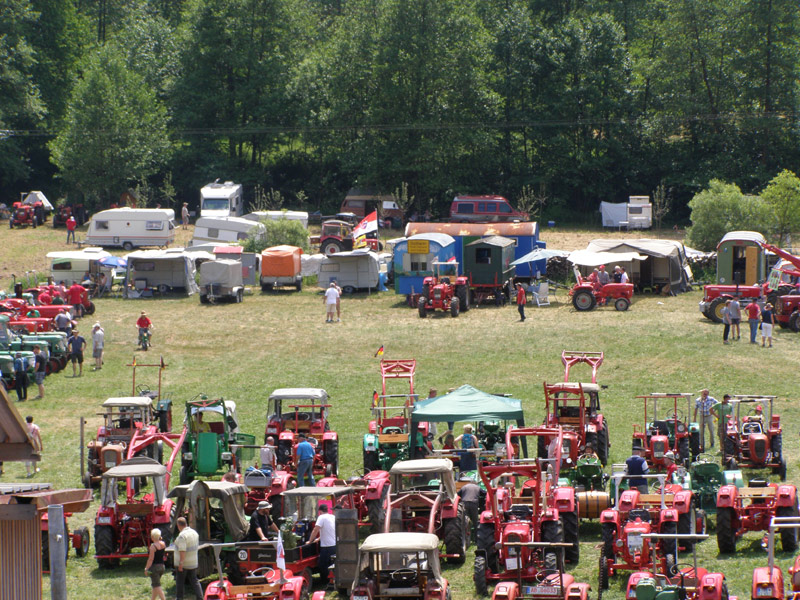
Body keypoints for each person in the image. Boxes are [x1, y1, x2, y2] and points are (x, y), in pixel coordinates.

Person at [174, 517, 204, 600]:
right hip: (193, 562)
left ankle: (179, 598)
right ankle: (200, 597)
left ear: (178, 525)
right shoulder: (194, 533)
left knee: (180, 582)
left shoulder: (182, 536)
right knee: (195, 581)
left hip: (184, 564)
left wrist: (181, 563)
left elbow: (182, 551)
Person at [308, 503, 336, 582]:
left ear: (320, 511)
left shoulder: (321, 517)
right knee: (332, 564)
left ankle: (326, 581)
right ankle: (333, 579)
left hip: (327, 546)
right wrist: (319, 539)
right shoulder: (332, 517)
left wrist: (310, 541)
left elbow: (315, 530)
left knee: (322, 564)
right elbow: (330, 530)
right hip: (334, 545)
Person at [144, 528, 167, 600]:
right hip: (162, 567)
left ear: (152, 537)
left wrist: (146, 568)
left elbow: (151, 559)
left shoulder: (153, 547)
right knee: (155, 584)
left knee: (157, 586)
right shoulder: (163, 544)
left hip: (155, 568)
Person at [458, 477, 481, 542]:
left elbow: (458, 494)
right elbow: (484, 493)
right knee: (475, 521)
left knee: (464, 521)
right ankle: (476, 539)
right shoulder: (477, 487)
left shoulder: (464, 487)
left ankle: (464, 538)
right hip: (473, 504)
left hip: (464, 504)